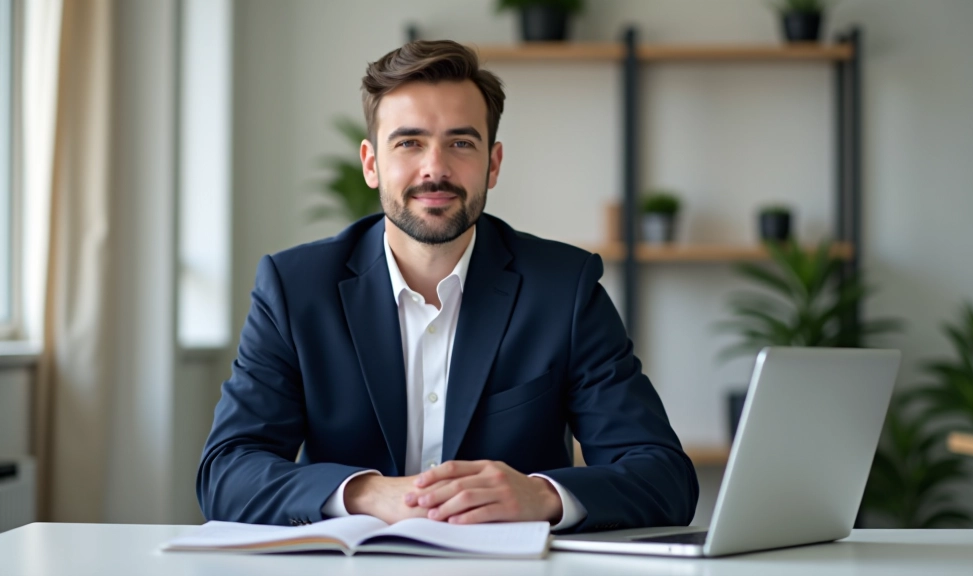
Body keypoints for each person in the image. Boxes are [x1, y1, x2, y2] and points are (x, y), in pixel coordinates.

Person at [197, 39, 698, 533]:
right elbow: (226, 472)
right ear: (371, 164)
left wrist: (541, 495)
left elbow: (664, 477)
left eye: (460, 143)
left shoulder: (563, 288)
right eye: (409, 142)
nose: (435, 168)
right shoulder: (296, 289)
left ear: (493, 164)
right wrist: (368, 494)